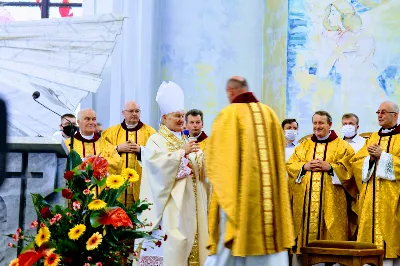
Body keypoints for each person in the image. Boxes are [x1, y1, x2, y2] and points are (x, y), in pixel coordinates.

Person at [204, 76, 294, 265]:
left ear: (231, 91)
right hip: (269, 200)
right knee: (270, 247)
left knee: (227, 247)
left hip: (238, 199)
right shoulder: (270, 114)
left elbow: (217, 161)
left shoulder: (228, 115)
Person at [138, 81, 209, 266]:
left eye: (182, 116)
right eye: (176, 116)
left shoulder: (185, 138)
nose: (181, 120)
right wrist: (182, 153)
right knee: (172, 249)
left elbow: (197, 166)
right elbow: (156, 167)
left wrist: (203, 159)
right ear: (164, 117)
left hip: (190, 205)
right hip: (169, 208)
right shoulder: (156, 140)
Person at [287, 110, 357, 264]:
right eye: (315, 123)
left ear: (330, 125)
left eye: (321, 123)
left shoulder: (343, 147)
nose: (317, 126)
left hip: (331, 206)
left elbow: (351, 171)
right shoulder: (303, 146)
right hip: (305, 208)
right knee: (304, 251)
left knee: (331, 250)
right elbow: (290, 165)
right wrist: (304, 166)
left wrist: (331, 167)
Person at [351, 101, 400, 266]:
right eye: (378, 112)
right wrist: (370, 159)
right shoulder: (372, 137)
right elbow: (356, 162)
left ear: (395, 115)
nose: (380, 115)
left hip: (393, 198)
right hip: (370, 197)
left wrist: (384, 156)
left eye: (384, 112)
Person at [102, 101, 156, 206]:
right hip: (117, 185)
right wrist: (117, 148)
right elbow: (101, 153)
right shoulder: (110, 133)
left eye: (137, 111)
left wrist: (141, 150)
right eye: (131, 111)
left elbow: (158, 155)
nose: (134, 114)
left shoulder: (151, 132)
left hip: (142, 184)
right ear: (123, 113)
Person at [65, 109, 122, 175]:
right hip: (77, 184)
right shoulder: (68, 144)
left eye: (94, 119)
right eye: (87, 119)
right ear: (78, 122)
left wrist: (100, 160)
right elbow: (63, 165)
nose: (91, 122)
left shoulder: (105, 144)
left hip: (100, 184)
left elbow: (118, 163)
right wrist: (82, 160)